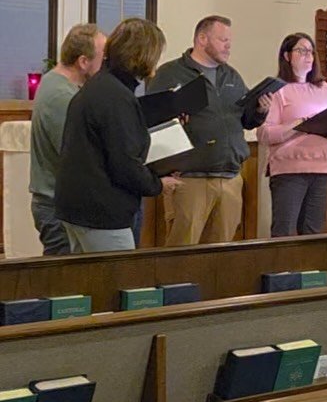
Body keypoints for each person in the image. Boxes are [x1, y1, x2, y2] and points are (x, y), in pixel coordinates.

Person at [55, 18, 182, 253]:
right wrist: (156, 184)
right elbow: (124, 163)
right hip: (101, 212)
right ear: (143, 56)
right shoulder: (116, 97)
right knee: (120, 275)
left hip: (78, 206)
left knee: (87, 276)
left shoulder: (99, 86)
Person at [147, 15, 270, 245]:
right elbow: (152, 122)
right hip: (190, 180)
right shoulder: (170, 73)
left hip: (229, 178)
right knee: (182, 252)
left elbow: (245, 120)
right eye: (223, 40)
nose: (228, 46)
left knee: (220, 255)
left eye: (229, 41)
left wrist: (260, 111)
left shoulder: (231, 75)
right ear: (202, 39)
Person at [257, 32, 327, 237]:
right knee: (285, 232)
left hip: (321, 168)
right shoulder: (278, 89)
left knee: (313, 233)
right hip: (290, 171)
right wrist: (299, 124)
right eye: (301, 50)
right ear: (287, 56)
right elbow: (264, 133)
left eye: (311, 51)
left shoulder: (324, 88)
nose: (308, 55)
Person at [29, 23, 106, 255]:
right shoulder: (62, 96)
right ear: (83, 61)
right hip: (56, 205)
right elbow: (77, 154)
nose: (106, 63)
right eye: (103, 56)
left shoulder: (58, 83)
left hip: (59, 202)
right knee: (63, 275)